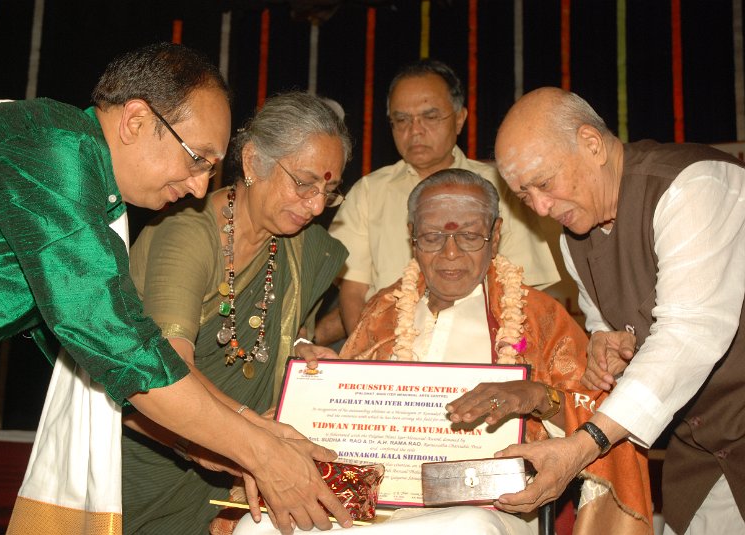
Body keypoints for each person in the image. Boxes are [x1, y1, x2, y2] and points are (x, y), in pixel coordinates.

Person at [0, 43, 351, 534]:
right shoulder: (53, 154)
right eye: (197, 158)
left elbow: (97, 372)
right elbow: (124, 350)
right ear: (136, 121)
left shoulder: (87, 188)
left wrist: (223, 441)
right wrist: (264, 454)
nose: (201, 188)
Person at [236, 169, 652, 534]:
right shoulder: (383, 309)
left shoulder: (539, 318)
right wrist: (325, 381)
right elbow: (343, 425)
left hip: (485, 508)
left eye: (469, 236)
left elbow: (603, 419)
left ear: (496, 234)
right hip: (372, 505)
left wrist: (539, 397)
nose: (450, 254)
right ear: (412, 237)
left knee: (466, 528)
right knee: (258, 527)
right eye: (433, 237)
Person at [477, 86, 745, 534]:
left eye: (545, 183)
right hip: (702, 453)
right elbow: (604, 320)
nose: (541, 207)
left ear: (593, 144)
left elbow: (689, 335)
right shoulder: (573, 235)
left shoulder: (694, 185)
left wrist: (586, 444)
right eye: (525, 196)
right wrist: (607, 344)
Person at [121, 91, 351, 534]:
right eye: (304, 183)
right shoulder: (189, 234)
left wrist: (302, 353)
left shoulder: (297, 246)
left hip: (243, 463)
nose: (317, 205)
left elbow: (276, 336)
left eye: (329, 190)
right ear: (251, 161)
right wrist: (257, 440)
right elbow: (167, 370)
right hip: (152, 457)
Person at [323, 59, 559, 342]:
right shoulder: (369, 191)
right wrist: (365, 352)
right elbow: (353, 291)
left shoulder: (501, 185)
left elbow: (524, 286)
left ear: (460, 118)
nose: (415, 130)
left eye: (430, 117)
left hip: (482, 345)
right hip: (390, 348)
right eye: (401, 120)